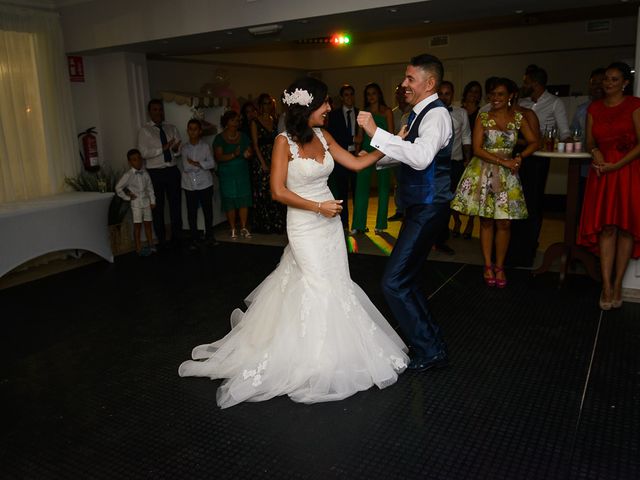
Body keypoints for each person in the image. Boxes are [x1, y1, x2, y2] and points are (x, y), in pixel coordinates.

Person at [179, 77, 408, 408]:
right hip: (304, 223)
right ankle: (312, 360)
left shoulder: (324, 136)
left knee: (335, 283)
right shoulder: (283, 143)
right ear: (308, 108)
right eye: (325, 103)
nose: (330, 107)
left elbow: (357, 163)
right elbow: (278, 191)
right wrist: (319, 207)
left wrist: (391, 145)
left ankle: (336, 352)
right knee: (317, 284)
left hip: (330, 224)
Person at [357, 53, 452, 372]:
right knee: (405, 280)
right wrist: (373, 158)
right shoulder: (415, 115)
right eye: (405, 78)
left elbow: (423, 158)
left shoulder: (436, 115)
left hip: (429, 205)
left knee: (394, 282)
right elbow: (406, 154)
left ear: (430, 83)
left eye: (410, 78)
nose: (404, 84)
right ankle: (430, 342)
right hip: (419, 205)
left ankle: (430, 349)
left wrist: (374, 132)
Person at [451, 78, 538, 287]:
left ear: (511, 96)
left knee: (505, 222)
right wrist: (502, 161)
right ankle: (488, 265)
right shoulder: (483, 117)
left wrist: (519, 157)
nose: (495, 98)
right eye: (492, 94)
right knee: (487, 220)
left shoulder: (518, 118)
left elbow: (535, 142)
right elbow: (477, 149)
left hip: (508, 176)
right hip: (484, 171)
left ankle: (500, 266)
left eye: (500, 94)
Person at [578, 62, 640, 310]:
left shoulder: (635, 105)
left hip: (628, 171)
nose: (608, 83)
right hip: (602, 173)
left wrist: (618, 165)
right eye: (606, 79)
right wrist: (596, 154)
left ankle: (617, 284)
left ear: (625, 83)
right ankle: (605, 285)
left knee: (626, 228)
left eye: (614, 79)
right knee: (607, 229)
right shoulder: (594, 108)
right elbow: (590, 141)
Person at [515, 65, 571, 265]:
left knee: (534, 203)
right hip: (519, 155)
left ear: (535, 84)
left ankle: (530, 246)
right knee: (516, 200)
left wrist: (567, 141)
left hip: (539, 158)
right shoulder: (521, 102)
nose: (524, 85)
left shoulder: (555, 102)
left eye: (526, 82)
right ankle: (516, 245)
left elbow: (564, 132)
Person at [137, 99, 182, 250]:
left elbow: (178, 151)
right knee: (158, 206)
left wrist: (175, 149)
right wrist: (162, 149)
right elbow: (143, 153)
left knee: (175, 204)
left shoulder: (171, 127)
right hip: (155, 172)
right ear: (150, 112)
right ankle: (161, 238)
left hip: (172, 170)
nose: (158, 112)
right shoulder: (145, 130)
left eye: (160, 109)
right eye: (155, 109)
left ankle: (177, 236)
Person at [352, 83, 395, 235]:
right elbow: (359, 136)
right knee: (361, 189)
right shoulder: (363, 112)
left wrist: (388, 153)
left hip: (382, 152)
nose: (371, 97)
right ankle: (358, 225)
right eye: (368, 94)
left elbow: (390, 134)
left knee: (383, 189)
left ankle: (381, 225)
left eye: (374, 93)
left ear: (379, 94)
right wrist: (357, 153)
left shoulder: (387, 112)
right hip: (365, 153)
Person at [438, 80, 471, 248]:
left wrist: (467, 159)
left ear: (452, 95)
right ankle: (441, 238)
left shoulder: (461, 113)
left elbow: (466, 137)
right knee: (440, 203)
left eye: (447, 93)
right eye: (441, 93)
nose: (444, 97)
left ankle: (455, 224)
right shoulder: (432, 114)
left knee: (453, 201)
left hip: (455, 164)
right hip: (436, 165)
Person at [213, 110, 253, 239]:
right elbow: (218, 157)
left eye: (237, 120)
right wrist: (233, 155)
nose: (236, 122)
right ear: (226, 122)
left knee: (243, 200)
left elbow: (249, 151)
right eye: (233, 120)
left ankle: (244, 227)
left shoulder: (244, 136)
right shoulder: (219, 138)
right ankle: (232, 228)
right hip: (227, 174)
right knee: (230, 200)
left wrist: (248, 154)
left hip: (242, 173)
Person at [250, 93, 286, 233]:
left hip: (275, 157)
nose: (267, 106)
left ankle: (276, 224)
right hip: (261, 159)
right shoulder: (255, 121)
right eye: (264, 103)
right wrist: (263, 163)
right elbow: (255, 144)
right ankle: (264, 225)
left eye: (269, 103)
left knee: (275, 190)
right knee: (263, 192)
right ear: (260, 105)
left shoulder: (275, 120)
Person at [327, 84, 360, 230]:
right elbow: (335, 137)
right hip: (341, 157)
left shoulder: (360, 113)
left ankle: (358, 224)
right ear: (341, 97)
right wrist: (353, 139)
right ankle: (343, 223)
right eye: (346, 94)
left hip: (357, 156)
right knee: (342, 193)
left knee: (358, 191)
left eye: (352, 94)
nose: (350, 97)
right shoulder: (334, 115)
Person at [181, 119, 217, 250]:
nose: (192, 131)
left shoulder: (205, 146)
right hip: (189, 184)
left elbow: (212, 163)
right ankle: (194, 238)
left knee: (208, 211)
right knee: (191, 212)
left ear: (200, 131)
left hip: (205, 183)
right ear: (187, 131)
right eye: (190, 128)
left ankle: (210, 236)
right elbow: (186, 166)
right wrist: (202, 164)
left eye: (195, 129)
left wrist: (196, 163)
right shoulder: (184, 148)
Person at [115, 149, 156, 256]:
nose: (137, 161)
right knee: (137, 225)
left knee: (148, 224)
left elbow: (150, 188)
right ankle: (138, 247)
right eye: (134, 160)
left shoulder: (145, 173)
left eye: (139, 159)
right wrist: (128, 197)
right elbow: (118, 188)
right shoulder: (128, 175)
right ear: (130, 162)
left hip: (146, 202)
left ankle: (151, 244)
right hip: (136, 203)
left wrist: (153, 201)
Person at [388, 83, 412, 222]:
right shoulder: (393, 112)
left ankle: (409, 210)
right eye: (398, 93)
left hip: (410, 152)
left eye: (403, 92)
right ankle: (400, 210)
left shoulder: (414, 110)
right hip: (397, 154)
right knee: (399, 183)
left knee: (410, 182)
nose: (400, 95)